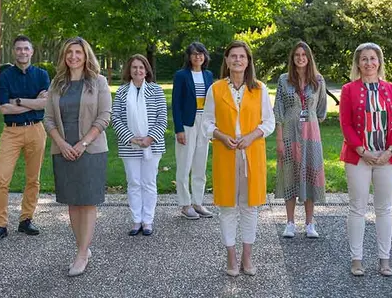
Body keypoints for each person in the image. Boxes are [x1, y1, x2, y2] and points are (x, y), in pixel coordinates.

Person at [201, 40, 275, 277]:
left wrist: (253, 136)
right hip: (226, 153)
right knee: (227, 206)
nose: (237, 60)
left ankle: (247, 255)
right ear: (226, 60)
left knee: (250, 206)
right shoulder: (216, 89)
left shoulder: (259, 89)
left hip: (252, 153)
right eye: (233, 56)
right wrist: (220, 136)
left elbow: (269, 122)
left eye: (241, 56)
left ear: (248, 61)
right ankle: (230, 255)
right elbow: (207, 123)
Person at [43, 37, 111, 276]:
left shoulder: (98, 82)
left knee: (88, 201)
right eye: (69, 52)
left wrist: (82, 143)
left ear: (86, 55)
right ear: (64, 56)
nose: (73, 56)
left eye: (78, 52)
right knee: (73, 201)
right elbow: (48, 118)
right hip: (63, 150)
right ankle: (82, 247)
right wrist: (61, 144)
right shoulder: (56, 83)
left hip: (90, 150)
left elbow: (104, 117)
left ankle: (82, 254)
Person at [339, 42, 392, 277]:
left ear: (379, 61)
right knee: (357, 208)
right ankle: (357, 259)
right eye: (364, 59)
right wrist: (362, 151)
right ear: (358, 63)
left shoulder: (391, 89)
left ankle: (384, 260)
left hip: (387, 156)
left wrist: (389, 150)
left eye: (372, 58)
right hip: (359, 158)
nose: (368, 63)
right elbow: (345, 123)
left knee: (384, 209)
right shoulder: (349, 89)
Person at [0, 35, 50, 243]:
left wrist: (20, 101)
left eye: (26, 49)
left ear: (32, 52)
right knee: (2, 178)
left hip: (36, 130)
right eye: (19, 49)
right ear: (14, 52)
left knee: (33, 179)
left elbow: (45, 104)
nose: (22, 52)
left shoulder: (42, 75)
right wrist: (33, 102)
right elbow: (4, 107)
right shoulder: (5, 77)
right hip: (11, 132)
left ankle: (26, 219)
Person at [274, 41, 328, 239]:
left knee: (310, 174)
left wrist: (310, 120)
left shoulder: (318, 81)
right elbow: (278, 110)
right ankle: (289, 223)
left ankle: (309, 223)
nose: (300, 58)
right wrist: (279, 138)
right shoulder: (283, 80)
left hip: (310, 134)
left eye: (304, 54)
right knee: (290, 174)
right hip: (289, 132)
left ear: (309, 57)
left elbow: (322, 108)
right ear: (292, 58)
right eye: (297, 54)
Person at [112, 54, 168, 236]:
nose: (138, 70)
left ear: (146, 70)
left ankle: (148, 221)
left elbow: (162, 119)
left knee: (149, 183)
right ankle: (136, 220)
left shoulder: (156, 90)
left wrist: (149, 138)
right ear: (129, 70)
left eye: (141, 67)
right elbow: (116, 118)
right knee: (134, 182)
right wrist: (132, 138)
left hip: (152, 145)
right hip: (129, 145)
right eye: (134, 67)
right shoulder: (121, 92)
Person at [172, 42, 214, 220]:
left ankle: (197, 202)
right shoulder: (181, 76)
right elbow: (175, 104)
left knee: (200, 164)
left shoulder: (208, 75)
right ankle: (185, 204)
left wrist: (212, 126)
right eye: (194, 54)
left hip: (203, 123)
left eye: (201, 54)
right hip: (187, 124)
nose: (198, 57)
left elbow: (212, 103)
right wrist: (179, 129)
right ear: (189, 57)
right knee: (184, 164)